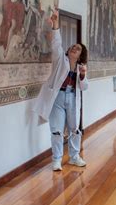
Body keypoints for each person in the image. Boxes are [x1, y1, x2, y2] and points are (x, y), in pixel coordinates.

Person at [33, 10, 89, 171]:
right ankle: (56, 160)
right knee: (56, 130)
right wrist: (55, 24)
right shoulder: (60, 60)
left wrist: (83, 76)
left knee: (74, 129)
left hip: (72, 98)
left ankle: (74, 157)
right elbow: (57, 43)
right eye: (72, 46)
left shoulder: (81, 68)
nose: (73, 48)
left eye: (77, 48)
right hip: (57, 98)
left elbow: (84, 87)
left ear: (80, 55)